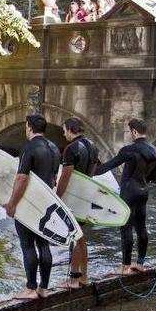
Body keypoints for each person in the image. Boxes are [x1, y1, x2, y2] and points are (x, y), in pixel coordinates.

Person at [3, 114, 60, 299]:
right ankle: (43, 288)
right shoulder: (54, 148)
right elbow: (54, 179)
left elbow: (22, 177)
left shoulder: (29, 147)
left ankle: (30, 288)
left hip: (29, 202)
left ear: (29, 127)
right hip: (47, 202)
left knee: (27, 245)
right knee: (44, 244)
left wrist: (12, 203)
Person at [94, 118, 156, 275]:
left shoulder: (129, 150)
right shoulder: (154, 151)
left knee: (126, 228)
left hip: (129, 192)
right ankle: (140, 263)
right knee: (141, 227)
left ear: (134, 132)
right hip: (143, 190)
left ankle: (125, 267)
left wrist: (91, 171)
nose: (130, 134)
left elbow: (107, 167)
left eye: (130, 131)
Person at [55, 117, 99, 288]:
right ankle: (84, 276)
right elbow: (92, 175)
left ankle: (73, 279)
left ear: (70, 129)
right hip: (86, 196)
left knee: (74, 237)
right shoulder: (93, 147)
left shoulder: (71, 148)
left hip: (73, 198)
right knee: (81, 238)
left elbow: (65, 176)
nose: (63, 133)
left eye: (64, 130)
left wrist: (57, 197)